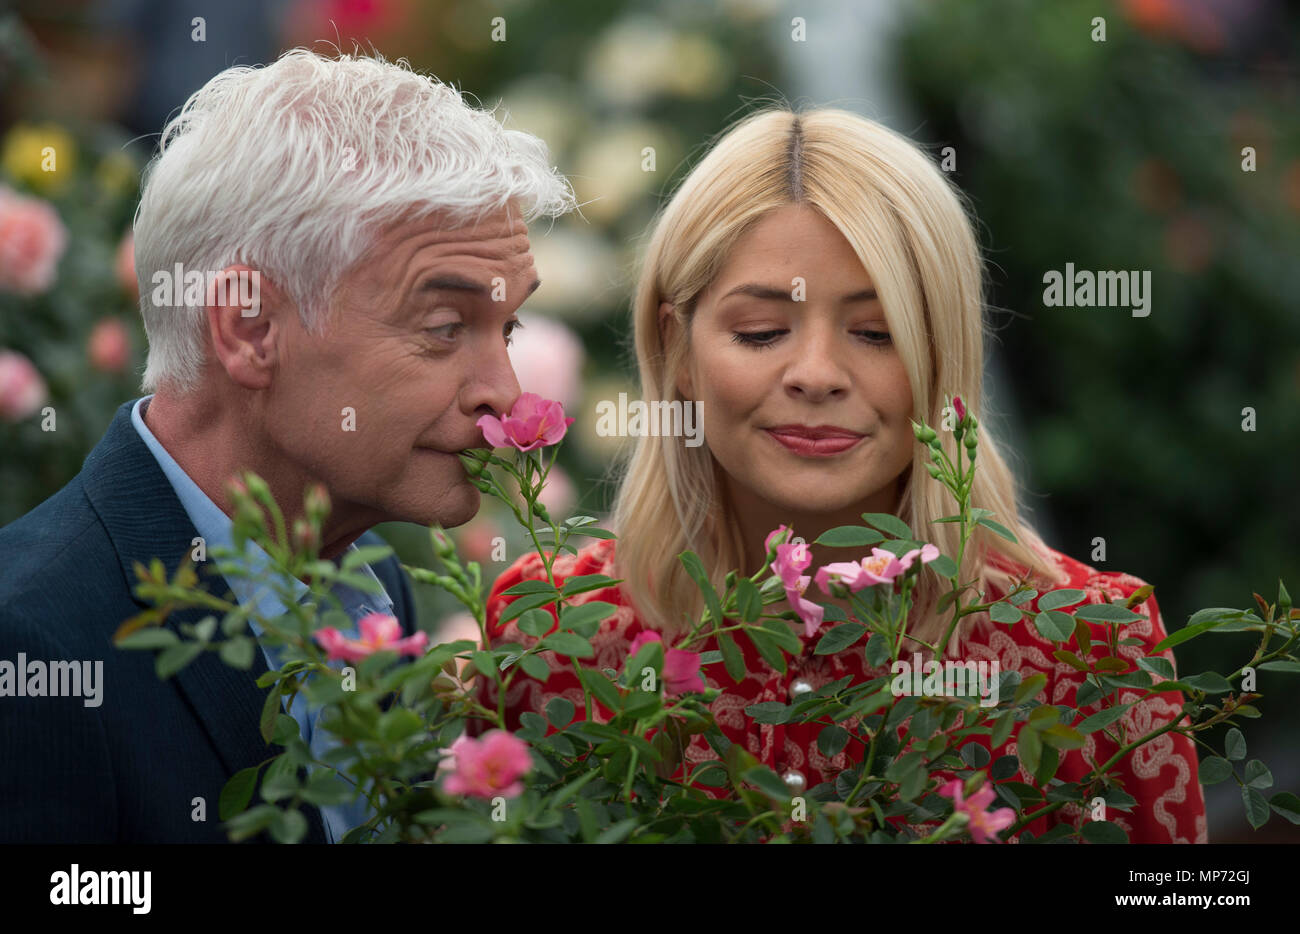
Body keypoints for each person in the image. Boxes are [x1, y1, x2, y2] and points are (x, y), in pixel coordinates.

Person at [474, 108, 1206, 844]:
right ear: (678, 350)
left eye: (876, 332)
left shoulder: (1092, 647)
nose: (817, 375)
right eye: (761, 332)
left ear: (942, 354)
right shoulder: (552, 635)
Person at [0, 49, 575, 843]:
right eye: (445, 328)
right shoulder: (31, 643)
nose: (506, 395)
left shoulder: (368, 575)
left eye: (506, 328)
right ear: (250, 329)